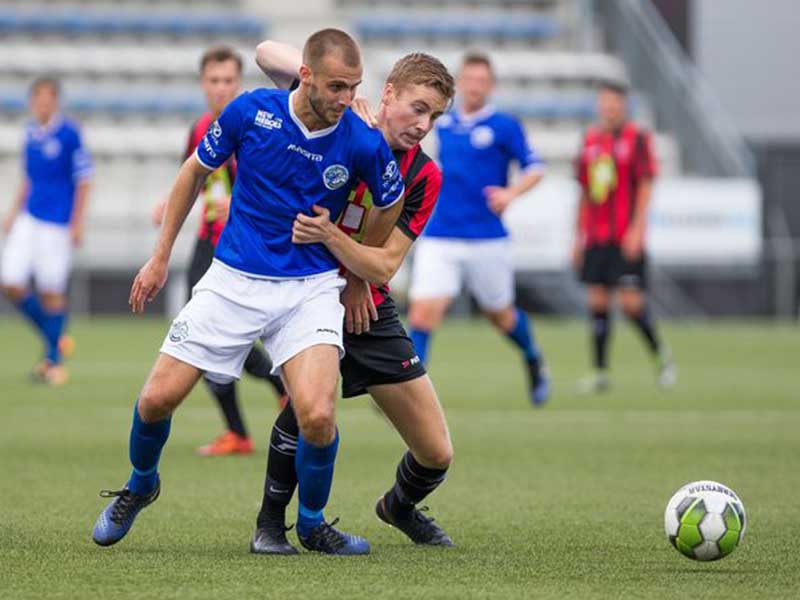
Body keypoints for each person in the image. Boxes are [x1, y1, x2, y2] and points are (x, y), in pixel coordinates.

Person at [91, 29, 406, 556]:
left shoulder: (360, 139)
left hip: (309, 288)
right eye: (336, 87)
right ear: (305, 76)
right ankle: (141, 482)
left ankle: (311, 524)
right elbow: (193, 173)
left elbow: (390, 200)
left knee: (319, 415)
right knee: (155, 400)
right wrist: (161, 255)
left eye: (353, 87)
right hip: (232, 278)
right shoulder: (251, 112)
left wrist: (354, 268)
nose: (347, 100)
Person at [249, 42, 455, 555]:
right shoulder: (335, 115)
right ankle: (271, 525)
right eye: (417, 108)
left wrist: (350, 261)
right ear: (386, 94)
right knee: (307, 409)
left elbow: (385, 264)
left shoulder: (424, 176)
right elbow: (264, 52)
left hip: (369, 303)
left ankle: (399, 507)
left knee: (436, 453)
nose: (423, 125)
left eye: (434, 116)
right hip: (307, 289)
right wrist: (333, 83)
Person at [152, 45, 287, 457]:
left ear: (239, 82)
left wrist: (244, 202)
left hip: (247, 245)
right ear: (203, 83)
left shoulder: (256, 127)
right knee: (205, 335)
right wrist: (166, 204)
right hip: (207, 241)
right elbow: (190, 176)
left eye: (229, 80)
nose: (221, 88)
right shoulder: (199, 129)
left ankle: (272, 397)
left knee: (215, 338)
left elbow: (280, 183)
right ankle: (249, 421)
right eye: (214, 80)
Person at [406, 52, 550, 407]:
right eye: (469, 80)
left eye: (481, 81)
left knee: (500, 315)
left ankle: (532, 357)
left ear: (491, 85)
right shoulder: (438, 122)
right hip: (440, 233)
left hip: (487, 236)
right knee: (423, 312)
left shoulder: (503, 125)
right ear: (459, 83)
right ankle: (406, 391)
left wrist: (511, 193)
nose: (474, 86)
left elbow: (535, 167)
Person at [572, 80, 676, 393]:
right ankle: (600, 371)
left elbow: (645, 186)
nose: (609, 107)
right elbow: (585, 192)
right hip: (596, 236)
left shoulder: (638, 139)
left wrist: (637, 229)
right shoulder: (590, 140)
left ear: (624, 105)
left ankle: (661, 356)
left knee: (630, 303)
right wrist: (578, 236)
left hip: (625, 235)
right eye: (605, 102)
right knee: (598, 301)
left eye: (615, 102)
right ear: (599, 105)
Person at [1, 76, 92, 386]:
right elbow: (29, 177)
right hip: (30, 216)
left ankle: (53, 361)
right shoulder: (29, 133)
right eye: (37, 98)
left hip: (57, 222)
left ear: (56, 102)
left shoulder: (69, 134)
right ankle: (55, 336)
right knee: (10, 282)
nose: (42, 104)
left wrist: (78, 222)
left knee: (52, 291)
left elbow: (83, 180)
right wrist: (13, 211)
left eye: (48, 98)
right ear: (31, 102)